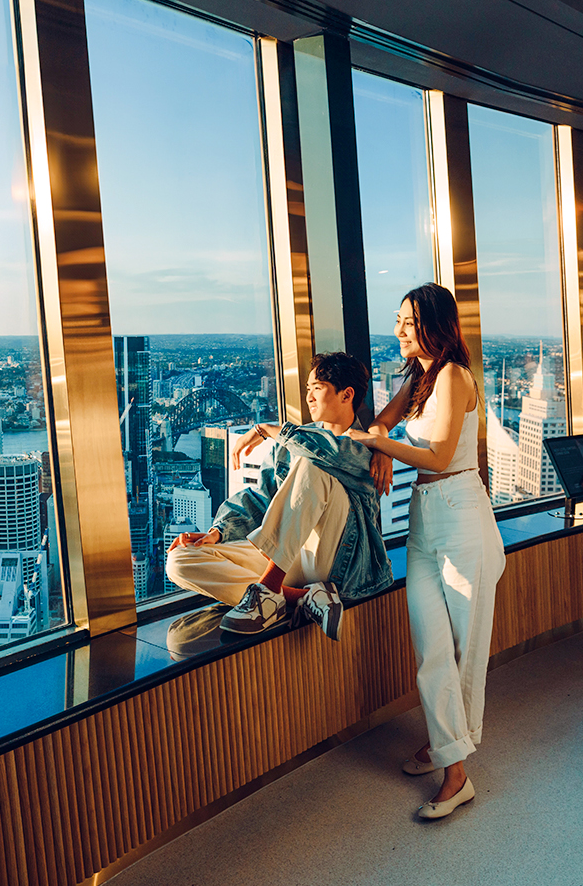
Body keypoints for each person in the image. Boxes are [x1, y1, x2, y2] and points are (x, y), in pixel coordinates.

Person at [342, 284, 505, 820]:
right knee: (431, 645)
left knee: (465, 646)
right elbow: (382, 421)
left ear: (433, 324)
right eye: (398, 321)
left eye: (408, 323)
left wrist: (379, 448)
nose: (398, 331)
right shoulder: (418, 379)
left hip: (461, 511)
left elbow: (436, 453)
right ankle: (445, 745)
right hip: (423, 516)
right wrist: (384, 443)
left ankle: (455, 772)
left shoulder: (455, 377)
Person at [165, 351, 394, 645]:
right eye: (308, 388)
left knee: (312, 463)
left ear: (346, 394)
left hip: (335, 565)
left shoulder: (367, 450)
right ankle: (300, 599)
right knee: (180, 559)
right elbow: (261, 498)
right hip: (289, 561)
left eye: (318, 388)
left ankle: (270, 588)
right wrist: (218, 532)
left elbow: (326, 451)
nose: (309, 396)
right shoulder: (291, 444)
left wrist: (269, 430)